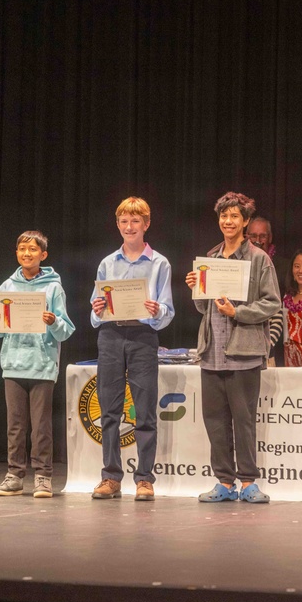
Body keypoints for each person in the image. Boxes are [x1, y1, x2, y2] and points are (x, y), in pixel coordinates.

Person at [186, 192, 281, 503]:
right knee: (215, 421)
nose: (228, 221)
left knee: (243, 420)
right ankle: (224, 483)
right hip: (212, 352)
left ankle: (249, 482)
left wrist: (237, 312)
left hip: (244, 352)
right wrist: (196, 289)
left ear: (245, 222)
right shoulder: (210, 258)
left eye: (234, 217)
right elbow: (203, 308)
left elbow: (271, 303)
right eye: (224, 216)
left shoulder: (258, 258)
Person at [89, 197, 175, 502]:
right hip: (111, 335)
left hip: (142, 337)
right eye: (124, 221)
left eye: (135, 221)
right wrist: (97, 308)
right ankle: (111, 477)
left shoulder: (159, 263)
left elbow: (168, 311)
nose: (129, 226)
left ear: (146, 224)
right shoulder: (107, 263)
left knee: (144, 409)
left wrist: (156, 310)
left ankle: (144, 479)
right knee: (109, 410)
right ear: (117, 225)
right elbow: (94, 313)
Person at [0, 230, 75, 498]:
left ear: (43, 255)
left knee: (41, 425)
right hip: (13, 363)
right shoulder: (7, 287)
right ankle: (14, 475)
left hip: (42, 364)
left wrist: (53, 322)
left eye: (33, 249)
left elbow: (66, 330)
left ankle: (43, 476)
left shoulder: (53, 288)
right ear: (17, 253)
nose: (27, 253)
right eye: (22, 249)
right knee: (15, 425)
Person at [247, 215, 284, 364]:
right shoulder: (237, 264)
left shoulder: (283, 267)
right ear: (246, 236)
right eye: (253, 235)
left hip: (271, 346)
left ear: (270, 237)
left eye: (262, 236)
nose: (258, 240)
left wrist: (266, 344)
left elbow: (277, 312)